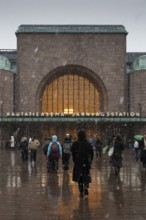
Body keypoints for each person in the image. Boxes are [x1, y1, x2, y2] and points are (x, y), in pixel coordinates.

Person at [71, 130, 94, 197]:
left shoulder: (75, 144)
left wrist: (75, 160)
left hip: (78, 163)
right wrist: (90, 161)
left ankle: (81, 190)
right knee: (86, 175)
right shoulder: (87, 143)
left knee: (79, 177)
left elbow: (73, 153)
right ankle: (86, 186)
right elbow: (91, 153)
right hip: (86, 162)